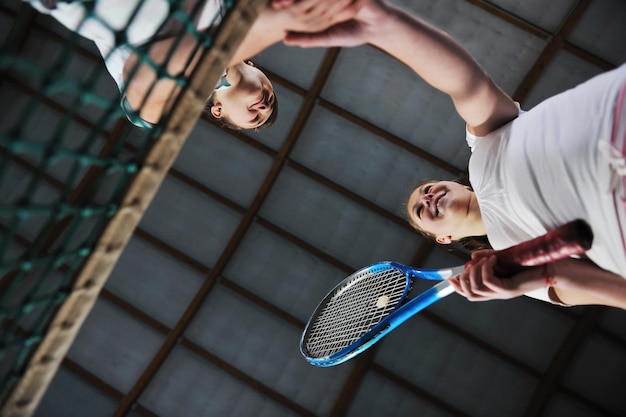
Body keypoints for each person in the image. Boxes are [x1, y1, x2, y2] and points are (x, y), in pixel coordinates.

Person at [284, 0, 626, 309]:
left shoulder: (484, 148)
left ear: (459, 185)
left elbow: (467, 84)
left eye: (427, 189)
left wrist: (390, 26)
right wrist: (543, 276)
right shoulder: (515, 261)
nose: (428, 197)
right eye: (422, 208)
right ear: (444, 239)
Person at [26, 0, 367, 130]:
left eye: (255, 119)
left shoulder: (170, 110)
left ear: (219, 112)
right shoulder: (238, 12)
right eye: (272, 102)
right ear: (257, 66)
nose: (264, 109)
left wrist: (275, 26)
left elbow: (144, 76)